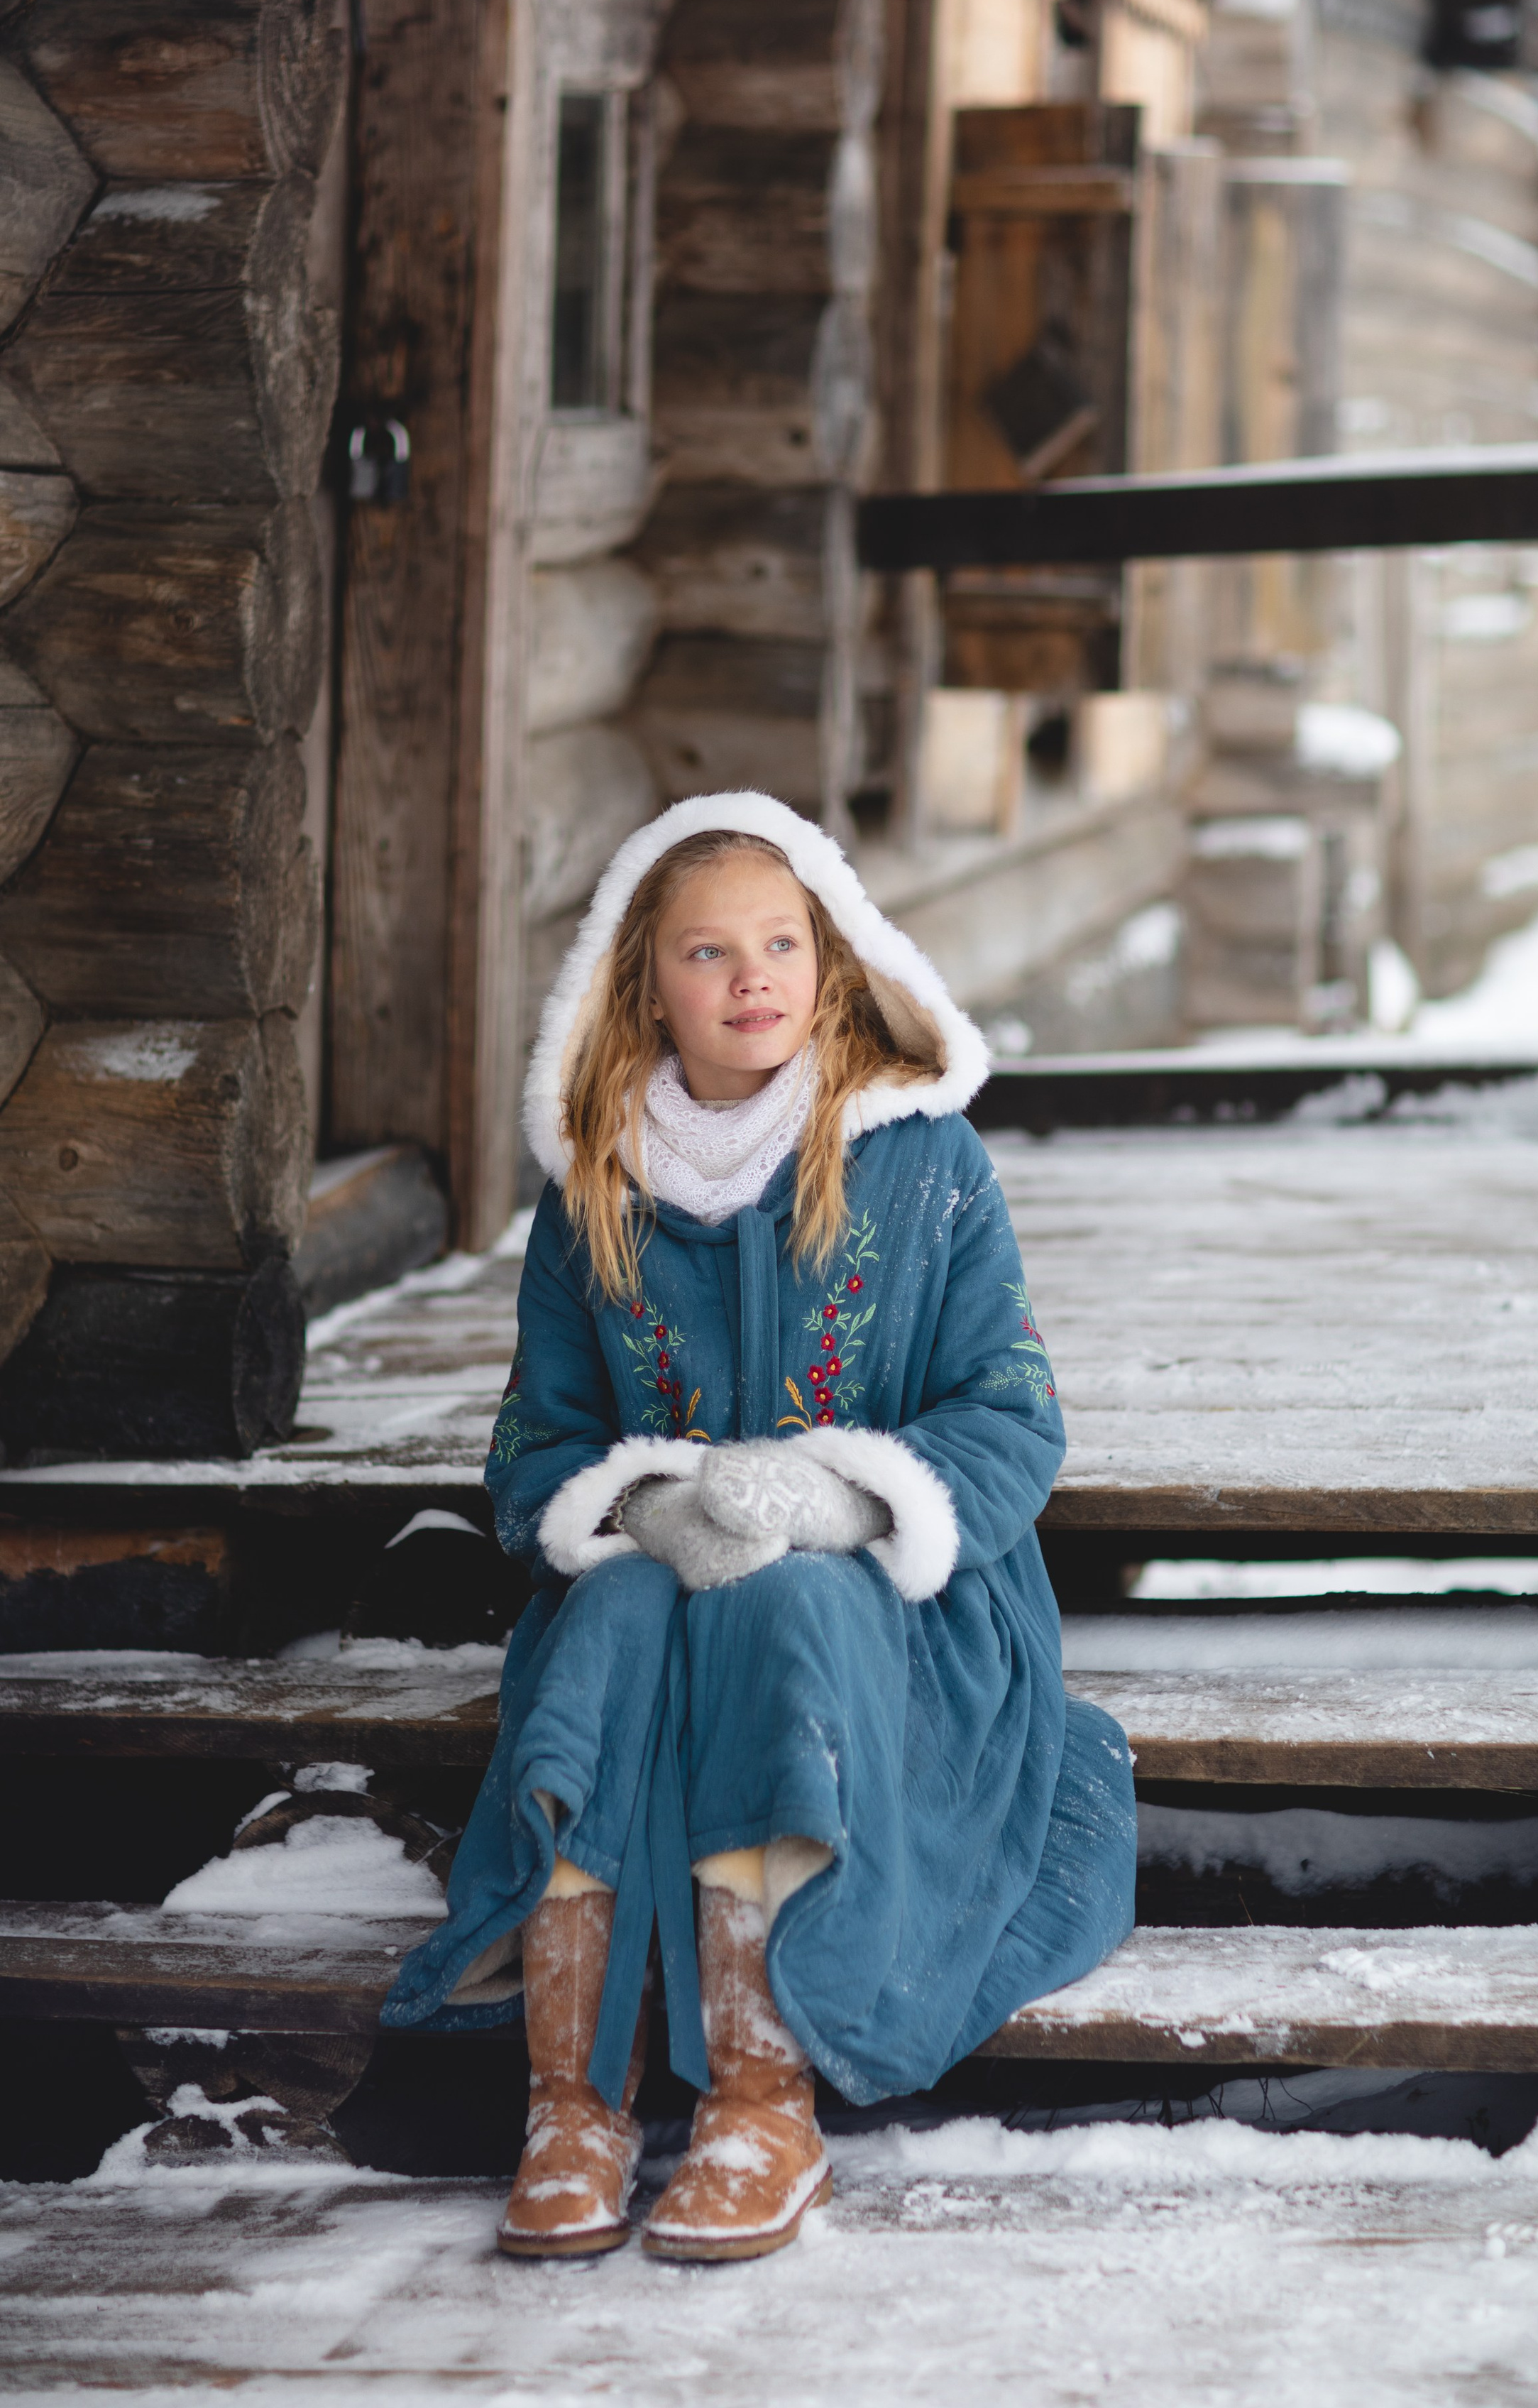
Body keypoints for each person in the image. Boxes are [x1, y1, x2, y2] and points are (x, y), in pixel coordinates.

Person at [383, 791, 1137, 2263]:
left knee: (776, 1604)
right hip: (658, 1598)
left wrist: (832, 1494)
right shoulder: (596, 1186)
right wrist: (636, 1506)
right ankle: (570, 2100)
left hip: (894, 1611)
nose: (752, 980)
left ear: (836, 956)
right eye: (707, 952)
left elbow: (1009, 1414)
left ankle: (758, 2090)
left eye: (782, 942)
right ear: (641, 984)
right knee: (607, 1618)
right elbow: (538, 1442)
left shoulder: (920, 1166)